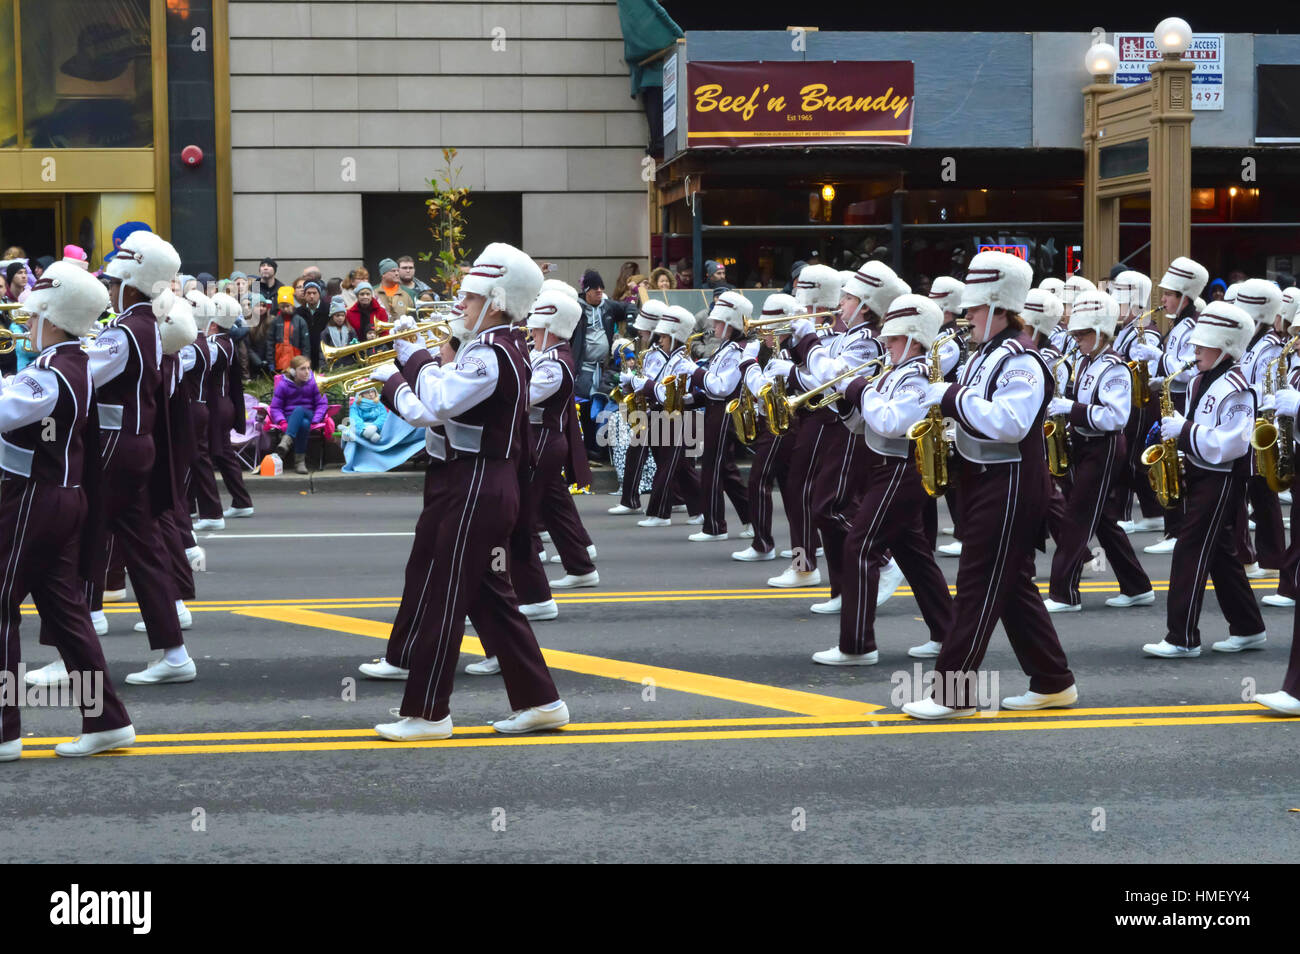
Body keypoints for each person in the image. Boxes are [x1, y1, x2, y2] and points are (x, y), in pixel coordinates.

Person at [356, 242, 570, 741]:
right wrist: (418, 360)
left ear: (494, 301)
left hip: (477, 484)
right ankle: (542, 701)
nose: (460, 306)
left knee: (444, 597)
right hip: (477, 482)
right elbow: (443, 402)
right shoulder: (494, 347)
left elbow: (434, 406)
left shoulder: (492, 353)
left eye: (470, 298)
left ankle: (429, 713)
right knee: (491, 598)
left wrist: (397, 375)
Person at [904, 250, 1077, 719]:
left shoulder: (1021, 360)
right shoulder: (988, 355)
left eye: (976, 309)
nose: (966, 316)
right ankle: (1053, 681)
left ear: (1001, 308)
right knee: (1014, 587)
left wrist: (952, 397)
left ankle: (954, 694)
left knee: (977, 586)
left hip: (1011, 483)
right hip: (986, 479)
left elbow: (1011, 423)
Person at [0, 262, 136, 758]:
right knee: (65, 612)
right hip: (60, 499)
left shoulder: (51, 374)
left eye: (33, 314)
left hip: (34, 497)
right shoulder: (70, 362)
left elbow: (7, 411)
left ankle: (4, 729)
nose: (26, 323)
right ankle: (107, 720)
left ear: (52, 318)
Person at [811, 294, 955, 664]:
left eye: (893, 339)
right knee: (914, 555)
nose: (886, 344)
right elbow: (864, 425)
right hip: (885, 467)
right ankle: (947, 632)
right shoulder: (893, 373)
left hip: (900, 470)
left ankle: (858, 645)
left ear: (912, 339)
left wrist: (859, 389)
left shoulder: (919, 376)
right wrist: (844, 398)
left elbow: (893, 423)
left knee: (860, 548)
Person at [81, 231, 195, 685]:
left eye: (113, 282)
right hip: (134, 444)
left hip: (115, 446)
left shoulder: (128, 328)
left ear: (131, 283)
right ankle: (173, 652)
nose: (108, 289)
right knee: (143, 550)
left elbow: (82, 377)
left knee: (83, 542)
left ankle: (72, 645)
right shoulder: (145, 324)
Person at [1145, 301, 1268, 658]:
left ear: (1226, 345)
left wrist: (1183, 431)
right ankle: (1249, 628)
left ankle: (1181, 638)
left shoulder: (1237, 387)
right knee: (1220, 554)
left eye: (1202, 345)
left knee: (1190, 550)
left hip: (1222, 477)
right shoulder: (1204, 377)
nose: (1194, 350)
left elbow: (1232, 443)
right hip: (1202, 472)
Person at [1039, 291, 1154, 613]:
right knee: (1102, 520)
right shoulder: (1085, 362)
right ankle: (1138, 586)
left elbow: (1115, 417)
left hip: (1104, 447)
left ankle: (1064, 594)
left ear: (1102, 332)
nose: (1076, 340)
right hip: (1084, 444)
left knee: (1077, 518)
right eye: (1075, 334)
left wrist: (1071, 409)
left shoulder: (1114, 368)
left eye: (1083, 334)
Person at [523, 287, 599, 591]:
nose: (530, 330)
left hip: (543, 439)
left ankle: (530, 588)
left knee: (520, 510)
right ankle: (581, 567)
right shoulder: (545, 354)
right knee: (554, 509)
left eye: (536, 326)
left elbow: (523, 397)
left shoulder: (554, 363)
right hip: (542, 439)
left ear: (551, 328)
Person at [1143, 256, 1211, 556]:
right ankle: (1173, 525)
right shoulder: (1180, 325)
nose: (1163, 299)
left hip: (1183, 399)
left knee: (1176, 460)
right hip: (1172, 396)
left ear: (1185, 297)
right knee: (1168, 458)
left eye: (1168, 294)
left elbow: (1189, 368)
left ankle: (1178, 528)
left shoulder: (1192, 326)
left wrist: (1155, 358)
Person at [683, 290, 753, 542]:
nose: (713, 325)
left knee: (712, 467)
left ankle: (714, 526)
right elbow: (715, 387)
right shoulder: (726, 347)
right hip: (716, 410)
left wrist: (692, 371)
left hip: (726, 413)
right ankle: (752, 519)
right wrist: (693, 399)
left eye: (719, 321)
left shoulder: (738, 349)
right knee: (725, 470)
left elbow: (722, 386)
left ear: (733, 323)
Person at [1231, 278, 1287, 579]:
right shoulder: (1252, 341)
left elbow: (1272, 387)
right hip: (1244, 422)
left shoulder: (1269, 346)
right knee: (1254, 492)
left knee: (1261, 493)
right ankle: (1262, 558)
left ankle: (1269, 559)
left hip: (1259, 424)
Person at [635, 305, 703, 529]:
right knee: (680, 466)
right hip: (664, 415)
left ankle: (659, 513)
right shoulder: (671, 358)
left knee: (667, 465)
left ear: (675, 338)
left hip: (675, 417)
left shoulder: (681, 361)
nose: (660, 339)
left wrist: (644, 384)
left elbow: (667, 394)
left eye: (664, 336)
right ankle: (699, 510)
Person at [192, 293, 255, 529]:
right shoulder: (226, 341)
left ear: (214, 322)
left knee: (208, 455)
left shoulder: (215, 344)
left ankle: (214, 510)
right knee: (222, 453)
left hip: (216, 406)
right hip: (224, 403)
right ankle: (240, 501)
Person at [609, 299, 667, 515]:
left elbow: (653, 383)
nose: (639, 331)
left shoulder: (659, 353)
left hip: (660, 409)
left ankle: (631, 500)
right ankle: (631, 499)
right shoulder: (652, 351)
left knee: (668, 460)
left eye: (644, 327)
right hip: (653, 409)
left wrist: (631, 381)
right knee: (659, 457)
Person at [269, 355, 328, 475]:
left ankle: (286, 442)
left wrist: (316, 420)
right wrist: (282, 422)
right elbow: (275, 407)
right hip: (291, 418)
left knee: (300, 410)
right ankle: (299, 462)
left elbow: (322, 405)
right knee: (303, 424)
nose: (307, 372)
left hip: (310, 414)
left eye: (308, 368)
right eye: (302, 369)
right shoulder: (283, 385)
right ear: (293, 371)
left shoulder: (315, 382)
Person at [266, 285, 310, 372]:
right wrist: (270, 361)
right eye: (282, 306)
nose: (285, 309)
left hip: (296, 362)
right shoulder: (275, 321)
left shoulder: (300, 321)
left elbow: (305, 345)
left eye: (287, 306)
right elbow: (270, 342)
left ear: (292, 305)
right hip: (279, 362)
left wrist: (306, 361)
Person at [296, 280, 331, 370]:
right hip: (306, 353)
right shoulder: (298, 312)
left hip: (324, 352)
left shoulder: (328, 310)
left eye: (314, 293)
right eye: (308, 293)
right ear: (304, 295)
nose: (312, 296)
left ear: (319, 294)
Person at [320, 295, 357, 364]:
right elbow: (322, 353)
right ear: (332, 316)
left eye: (342, 315)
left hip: (350, 364)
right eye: (337, 315)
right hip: (334, 365)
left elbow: (356, 347)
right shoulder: (326, 333)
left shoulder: (351, 331)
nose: (340, 318)